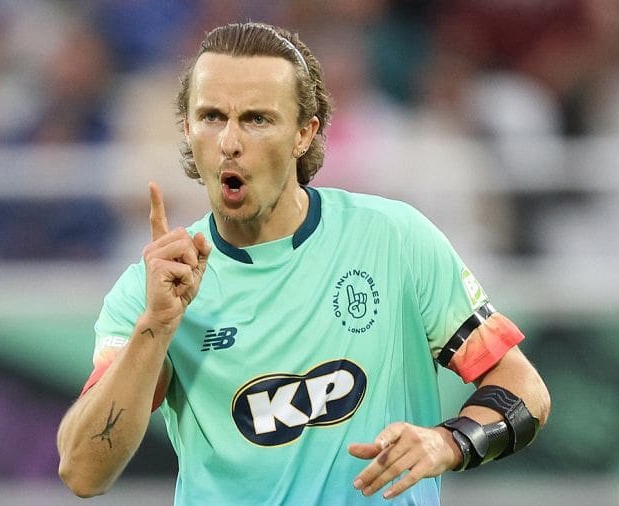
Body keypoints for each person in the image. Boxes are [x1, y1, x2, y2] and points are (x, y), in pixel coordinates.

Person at [57, 22, 551, 505]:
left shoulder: (393, 240)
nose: (230, 141)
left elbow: (525, 390)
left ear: (303, 133)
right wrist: (156, 327)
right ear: (187, 129)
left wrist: (449, 442)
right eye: (211, 117)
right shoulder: (155, 289)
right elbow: (83, 472)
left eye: (257, 119)